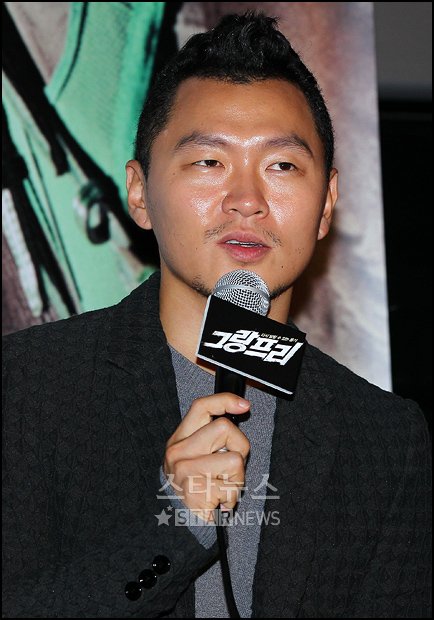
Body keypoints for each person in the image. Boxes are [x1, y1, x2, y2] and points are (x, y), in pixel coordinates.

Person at [2, 11, 431, 619]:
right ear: (139, 192)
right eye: (209, 162)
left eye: (282, 166)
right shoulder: (28, 388)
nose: (247, 201)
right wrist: (175, 529)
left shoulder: (384, 439)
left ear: (326, 203)